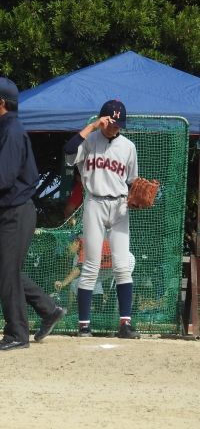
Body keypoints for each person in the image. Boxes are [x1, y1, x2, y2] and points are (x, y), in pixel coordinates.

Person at [0, 77, 65, 351]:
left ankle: (17, 334)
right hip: (11, 209)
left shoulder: (11, 131)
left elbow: (2, 178)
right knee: (5, 271)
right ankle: (49, 310)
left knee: (7, 272)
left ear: (1, 103)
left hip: (16, 210)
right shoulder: (8, 130)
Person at [63, 100, 140, 338]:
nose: (115, 127)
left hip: (120, 205)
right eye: (111, 122)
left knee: (122, 265)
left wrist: (135, 197)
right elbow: (68, 150)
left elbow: (132, 181)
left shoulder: (128, 147)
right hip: (94, 202)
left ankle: (125, 324)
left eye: (119, 124)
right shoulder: (89, 141)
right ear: (102, 119)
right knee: (90, 265)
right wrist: (92, 126)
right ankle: (84, 325)